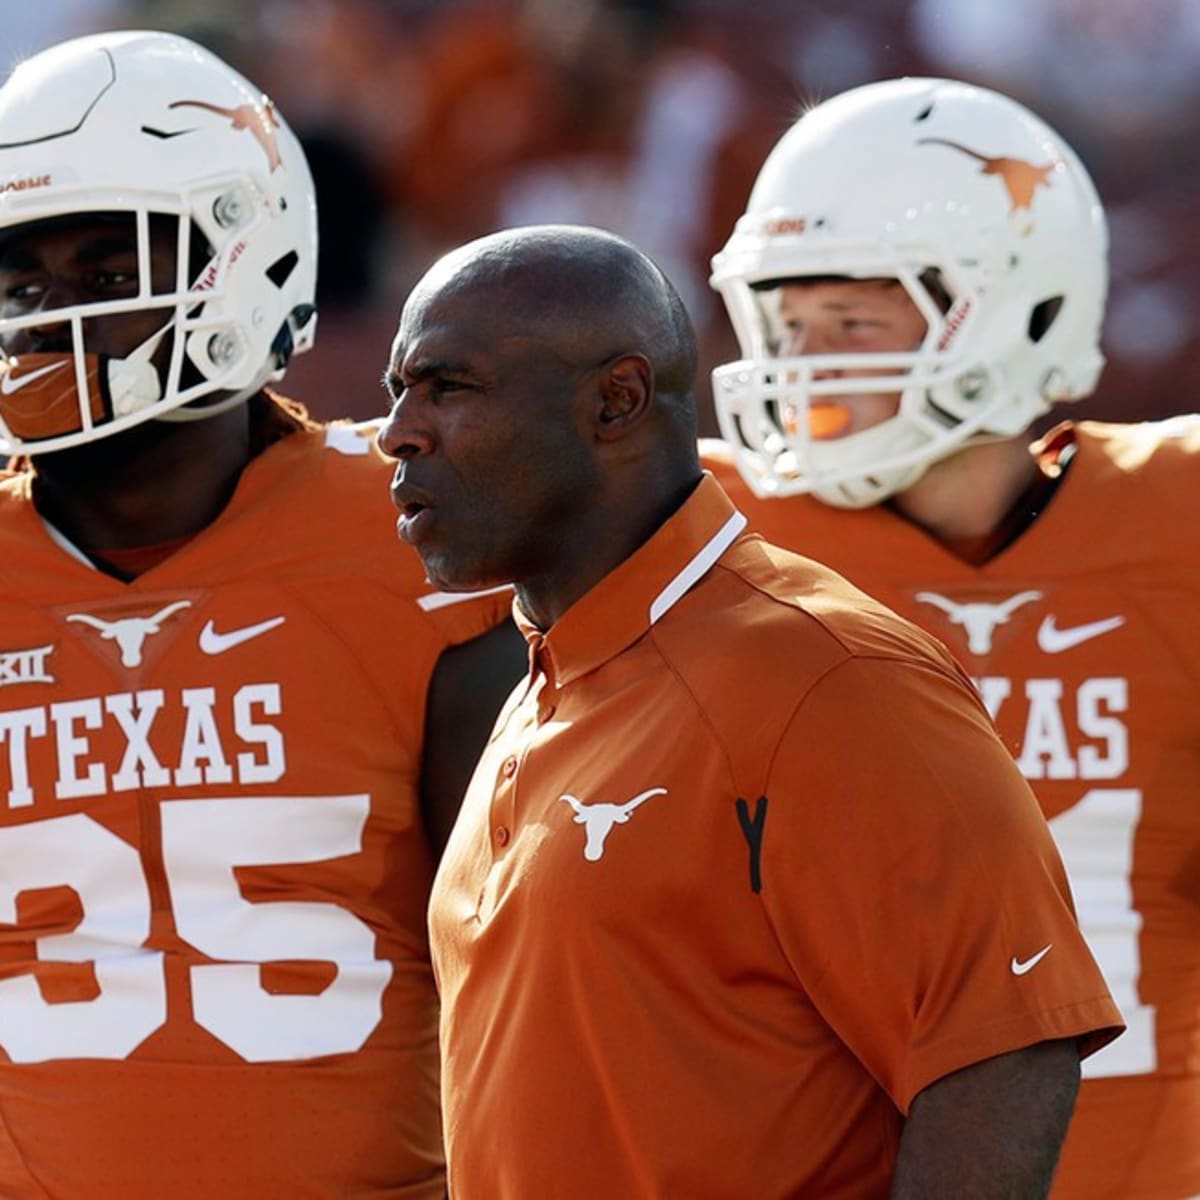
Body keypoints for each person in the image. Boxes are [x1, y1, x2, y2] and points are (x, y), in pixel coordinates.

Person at [377, 221, 1123, 1199]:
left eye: (448, 386)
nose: (398, 431)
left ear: (617, 400)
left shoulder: (831, 675)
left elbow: (1004, 1058)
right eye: (399, 390)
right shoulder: (546, 682)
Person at [0, 30, 522, 1200]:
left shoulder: (415, 542)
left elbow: (536, 966)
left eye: (106, 264)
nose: (51, 316)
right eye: (22, 279)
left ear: (239, 252)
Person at [705, 76, 1200, 1200]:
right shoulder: (715, 534)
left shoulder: (1180, 520)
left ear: (1020, 306)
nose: (809, 365)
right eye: (791, 324)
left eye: (856, 322)